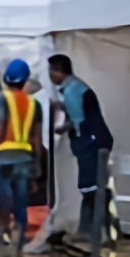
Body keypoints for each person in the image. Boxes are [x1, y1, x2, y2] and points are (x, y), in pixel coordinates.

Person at [0, 58, 43, 254]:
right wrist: (37, 162)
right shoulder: (34, 104)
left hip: (3, 158)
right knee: (21, 200)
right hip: (25, 157)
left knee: (1, 198)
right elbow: (37, 138)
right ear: (26, 81)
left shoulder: (2, 99)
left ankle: (1, 233)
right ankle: (19, 236)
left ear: (6, 80)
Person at [47, 53, 114, 233]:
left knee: (89, 185)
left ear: (58, 71)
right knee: (94, 183)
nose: (50, 76)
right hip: (96, 139)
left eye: (51, 71)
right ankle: (98, 228)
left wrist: (61, 128)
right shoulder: (76, 87)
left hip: (90, 141)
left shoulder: (72, 91)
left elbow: (78, 121)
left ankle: (90, 229)